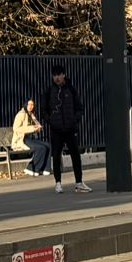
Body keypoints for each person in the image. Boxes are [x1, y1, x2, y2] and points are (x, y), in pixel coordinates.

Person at [37, 65, 89, 194]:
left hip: (70, 128)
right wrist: (50, 121)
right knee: (56, 156)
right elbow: (43, 110)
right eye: (54, 75)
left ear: (64, 75)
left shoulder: (71, 90)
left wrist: (75, 119)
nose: (57, 78)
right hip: (56, 129)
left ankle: (79, 182)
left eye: (59, 75)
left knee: (75, 155)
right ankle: (58, 183)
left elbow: (79, 107)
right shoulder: (49, 91)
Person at [11, 98, 48, 178]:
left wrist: (38, 127)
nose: (31, 106)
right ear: (25, 105)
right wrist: (31, 128)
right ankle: (31, 168)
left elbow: (36, 124)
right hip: (22, 140)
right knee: (41, 148)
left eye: (32, 105)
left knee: (48, 146)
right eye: (29, 104)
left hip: (31, 139)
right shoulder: (21, 114)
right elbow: (15, 128)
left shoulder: (31, 114)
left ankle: (45, 169)